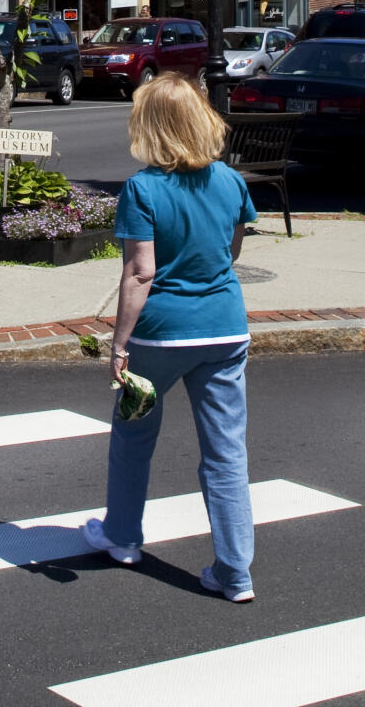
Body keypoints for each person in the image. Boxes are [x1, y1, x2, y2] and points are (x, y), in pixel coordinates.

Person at [82, 70, 257, 601]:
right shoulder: (231, 181)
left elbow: (140, 273)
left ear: (150, 126)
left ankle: (123, 536)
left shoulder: (143, 188)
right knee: (226, 452)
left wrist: (117, 346)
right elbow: (232, 251)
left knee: (133, 436)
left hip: (159, 336)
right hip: (225, 329)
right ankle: (235, 572)